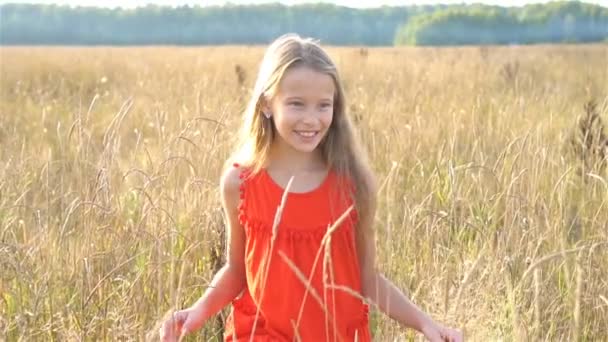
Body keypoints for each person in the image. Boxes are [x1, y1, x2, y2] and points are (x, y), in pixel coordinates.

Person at [160, 33, 462, 342]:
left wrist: (427, 324)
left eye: (323, 106)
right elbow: (236, 271)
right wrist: (196, 312)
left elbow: (368, 279)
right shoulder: (241, 183)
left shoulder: (354, 186)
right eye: (296, 104)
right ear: (267, 103)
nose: (311, 119)